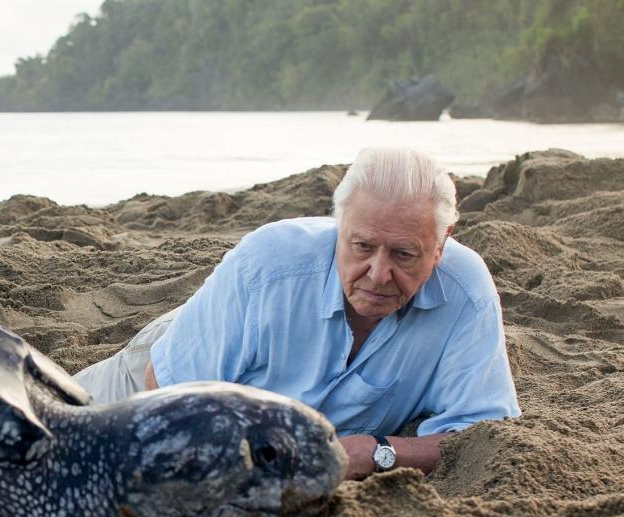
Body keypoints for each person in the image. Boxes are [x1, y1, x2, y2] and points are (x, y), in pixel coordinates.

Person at [74, 147, 520, 480]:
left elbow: (482, 436)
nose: (379, 274)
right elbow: (165, 392)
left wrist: (378, 451)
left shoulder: (465, 291)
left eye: (404, 254)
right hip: (172, 362)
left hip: (284, 424)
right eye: (362, 246)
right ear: (338, 227)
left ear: (440, 247)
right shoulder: (269, 264)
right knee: (46, 429)